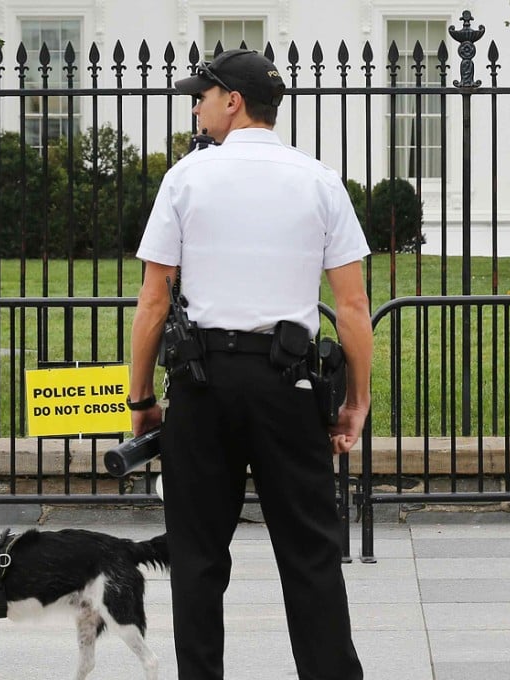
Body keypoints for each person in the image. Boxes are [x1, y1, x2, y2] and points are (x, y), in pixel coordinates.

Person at [128, 49, 372, 680]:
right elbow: (352, 304)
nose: (196, 104)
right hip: (288, 383)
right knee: (310, 552)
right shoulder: (318, 179)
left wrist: (140, 399)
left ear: (232, 101)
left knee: (199, 554)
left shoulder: (187, 177)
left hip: (203, 384)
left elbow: (154, 298)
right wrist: (356, 401)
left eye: (201, 95)